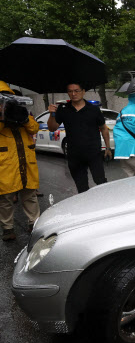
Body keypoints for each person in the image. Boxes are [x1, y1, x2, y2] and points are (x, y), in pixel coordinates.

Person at [47, 82, 112, 193]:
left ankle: (106, 206)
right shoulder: (63, 109)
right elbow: (52, 128)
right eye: (70, 91)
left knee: (100, 182)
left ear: (83, 91)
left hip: (93, 153)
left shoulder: (94, 109)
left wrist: (108, 148)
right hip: (74, 155)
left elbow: (104, 128)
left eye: (76, 90)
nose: (73, 93)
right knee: (81, 187)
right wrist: (52, 114)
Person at [0, 90, 40, 241]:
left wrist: (24, 118)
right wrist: (4, 117)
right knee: (6, 198)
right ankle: (7, 228)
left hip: (26, 162)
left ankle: (34, 223)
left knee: (30, 195)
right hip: (6, 164)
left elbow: (34, 128)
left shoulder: (24, 112)